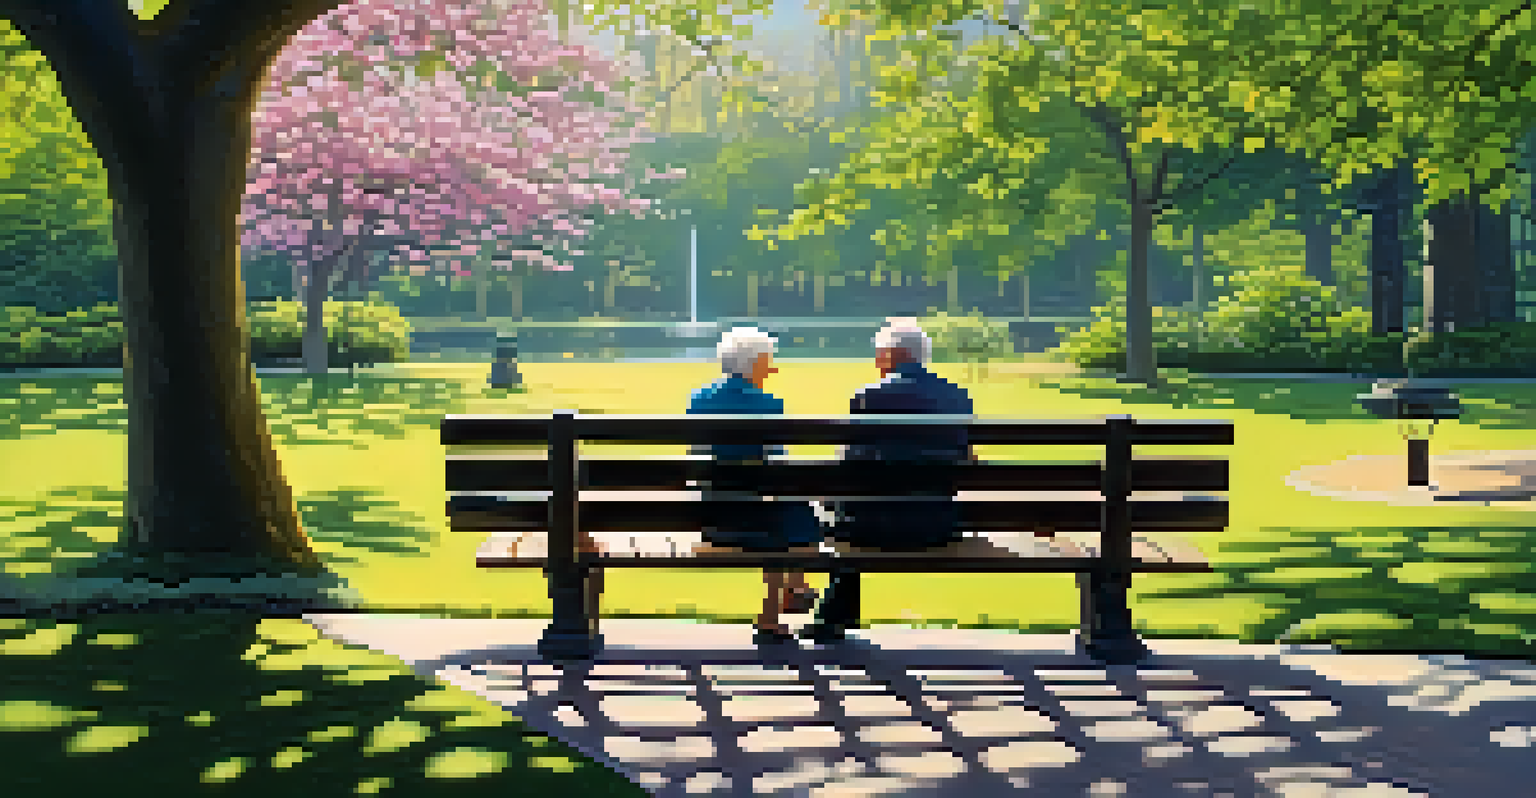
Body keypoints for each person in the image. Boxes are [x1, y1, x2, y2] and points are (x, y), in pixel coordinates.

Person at [800, 317, 976, 644]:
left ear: (892, 355)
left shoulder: (869, 396)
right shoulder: (957, 396)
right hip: (936, 525)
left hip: (869, 527)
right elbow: (966, 459)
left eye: (878, 353)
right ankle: (833, 616)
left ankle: (833, 617)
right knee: (861, 503)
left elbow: (849, 464)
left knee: (846, 509)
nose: (876, 360)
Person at [687, 326, 822, 645]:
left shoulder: (699, 399)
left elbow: (697, 456)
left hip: (712, 518)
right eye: (767, 361)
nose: (771, 367)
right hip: (756, 522)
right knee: (791, 514)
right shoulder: (768, 404)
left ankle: (793, 590)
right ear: (754, 363)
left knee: (782, 510)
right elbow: (777, 465)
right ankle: (786, 597)